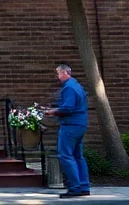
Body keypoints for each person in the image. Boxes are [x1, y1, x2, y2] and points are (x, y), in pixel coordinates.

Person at [46, 63, 90, 199]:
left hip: (70, 126)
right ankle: (84, 186)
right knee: (78, 156)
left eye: (58, 73)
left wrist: (53, 111)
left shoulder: (69, 88)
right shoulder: (78, 86)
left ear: (66, 73)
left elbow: (68, 108)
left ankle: (75, 188)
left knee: (66, 156)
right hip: (80, 125)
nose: (57, 76)